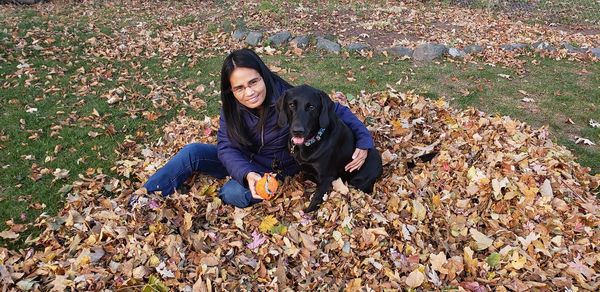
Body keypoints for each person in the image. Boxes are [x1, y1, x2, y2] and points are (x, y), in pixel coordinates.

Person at [133, 48, 377, 208]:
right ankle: (143, 198)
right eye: (239, 88)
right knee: (193, 152)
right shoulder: (230, 108)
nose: (249, 92)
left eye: (253, 82)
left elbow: (338, 111)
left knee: (233, 193)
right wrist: (245, 172)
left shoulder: (289, 98)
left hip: (273, 167)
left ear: (263, 76)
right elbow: (226, 147)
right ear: (231, 91)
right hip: (244, 161)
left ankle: (230, 189)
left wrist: (364, 141)